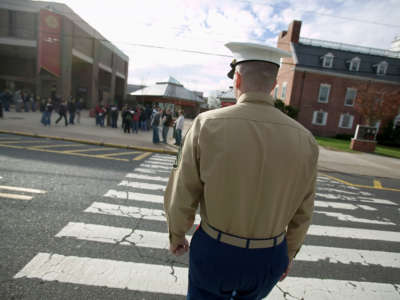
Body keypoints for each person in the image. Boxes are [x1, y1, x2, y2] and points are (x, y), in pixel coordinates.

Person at [164, 42, 319, 299]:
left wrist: (177, 233)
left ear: (237, 79)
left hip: (216, 249)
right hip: (269, 255)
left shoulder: (205, 124)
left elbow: (181, 187)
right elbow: (304, 210)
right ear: (273, 84)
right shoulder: (306, 140)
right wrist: (289, 254)